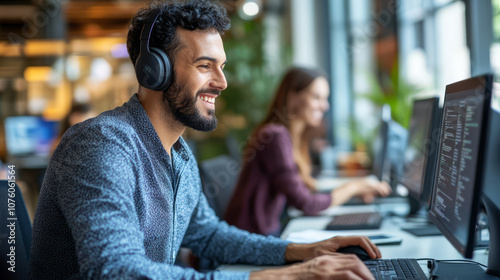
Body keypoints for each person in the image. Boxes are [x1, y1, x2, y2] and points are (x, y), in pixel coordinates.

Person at [30, 1, 380, 279]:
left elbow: (208, 235)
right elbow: (116, 271)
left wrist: (302, 251)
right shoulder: (101, 145)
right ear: (154, 70)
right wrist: (279, 277)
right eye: (204, 65)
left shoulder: (179, 153)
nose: (222, 82)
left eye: (222, 66)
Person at [224, 67, 392, 236]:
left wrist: (356, 191)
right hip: (250, 239)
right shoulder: (274, 136)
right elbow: (306, 203)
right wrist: (354, 187)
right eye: (316, 97)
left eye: (325, 98)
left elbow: (306, 188)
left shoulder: (292, 137)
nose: (325, 106)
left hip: (264, 234)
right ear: (292, 97)